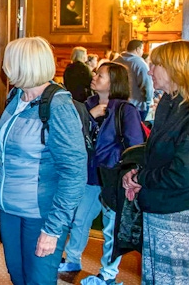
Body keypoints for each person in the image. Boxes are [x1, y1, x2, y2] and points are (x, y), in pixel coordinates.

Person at [0, 36, 87, 285]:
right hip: (8, 209)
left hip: (41, 215)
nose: (4, 67)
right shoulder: (15, 97)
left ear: (24, 65)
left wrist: (53, 229)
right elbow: (5, 155)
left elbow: (74, 172)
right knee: (17, 276)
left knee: (38, 281)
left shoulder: (59, 105)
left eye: (8, 61)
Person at [122, 40, 189, 285]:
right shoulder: (170, 104)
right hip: (160, 208)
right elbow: (159, 157)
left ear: (176, 68)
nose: (149, 71)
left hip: (180, 213)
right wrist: (138, 174)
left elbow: (183, 174)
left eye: (155, 65)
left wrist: (141, 178)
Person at [59, 62, 144, 285]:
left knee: (110, 228)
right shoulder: (87, 104)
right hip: (88, 174)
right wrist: (89, 114)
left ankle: (108, 274)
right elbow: (71, 132)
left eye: (101, 75)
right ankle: (73, 259)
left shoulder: (126, 110)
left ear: (113, 82)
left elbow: (135, 147)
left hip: (113, 178)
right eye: (96, 73)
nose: (94, 76)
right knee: (80, 219)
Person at [114, 40, 153, 120]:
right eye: (142, 50)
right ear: (138, 49)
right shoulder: (140, 63)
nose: (142, 52)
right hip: (137, 106)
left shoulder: (115, 61)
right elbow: (147, 84)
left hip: (117, 104)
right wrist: (148, 101)